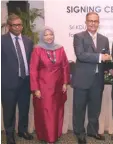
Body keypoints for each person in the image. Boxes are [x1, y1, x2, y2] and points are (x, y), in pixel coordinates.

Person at [72, 12, 110, 144]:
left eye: (95, 21)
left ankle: (93, 131)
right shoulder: (79, 37)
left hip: (97, 80)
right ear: (86, 22)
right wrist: (100, 57)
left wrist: (111, 67)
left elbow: (106, 58)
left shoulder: (104, 39)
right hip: (82, 80)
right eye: (90, 21)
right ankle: (80, 133)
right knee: (79, 109)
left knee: (95, 108)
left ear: (98, 23)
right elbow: (81, 55)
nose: (93, 23)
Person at [30, 26, 70, 144]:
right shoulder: (38, 49)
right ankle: (48, 137)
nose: (48, 37)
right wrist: (35, 88)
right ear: (42, 36)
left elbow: (65, 66)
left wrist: (65, 82)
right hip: (43, 86)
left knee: (57, 110)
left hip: (58, 86)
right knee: (47, 111)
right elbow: (33, 70)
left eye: (50, 34)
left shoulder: (60, 48)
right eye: (46, 35)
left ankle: (55, 134)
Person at [1, 14, 34, 144]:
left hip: (25, 81)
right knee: (9, 110)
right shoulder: (2, 40)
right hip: (8, 83)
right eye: (15, 25)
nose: (18, 27)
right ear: (9, 26)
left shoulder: (28, 40)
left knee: (24, 108)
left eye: (20, 24)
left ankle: (22, 130)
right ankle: (9, 135)